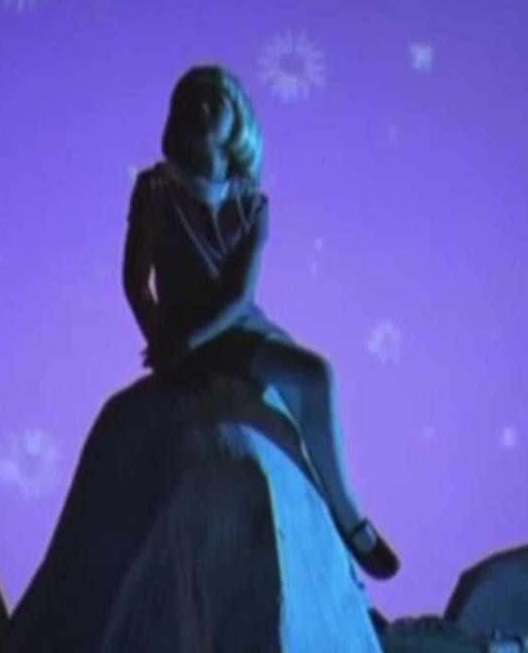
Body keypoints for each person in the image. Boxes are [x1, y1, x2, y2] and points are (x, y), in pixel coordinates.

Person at [121, 64, 399, 580]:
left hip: (233, 331)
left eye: (215, 101)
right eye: (192, 100)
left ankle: (347, 513)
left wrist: (188, 343)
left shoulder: (251, 202)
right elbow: (135, 279)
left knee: (315, 376)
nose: (203, 108)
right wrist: (160, 340)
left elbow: (239, 295)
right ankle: (345, 519)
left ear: (239, 120)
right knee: (309, 377)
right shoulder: (156, 189)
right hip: (187, 334)